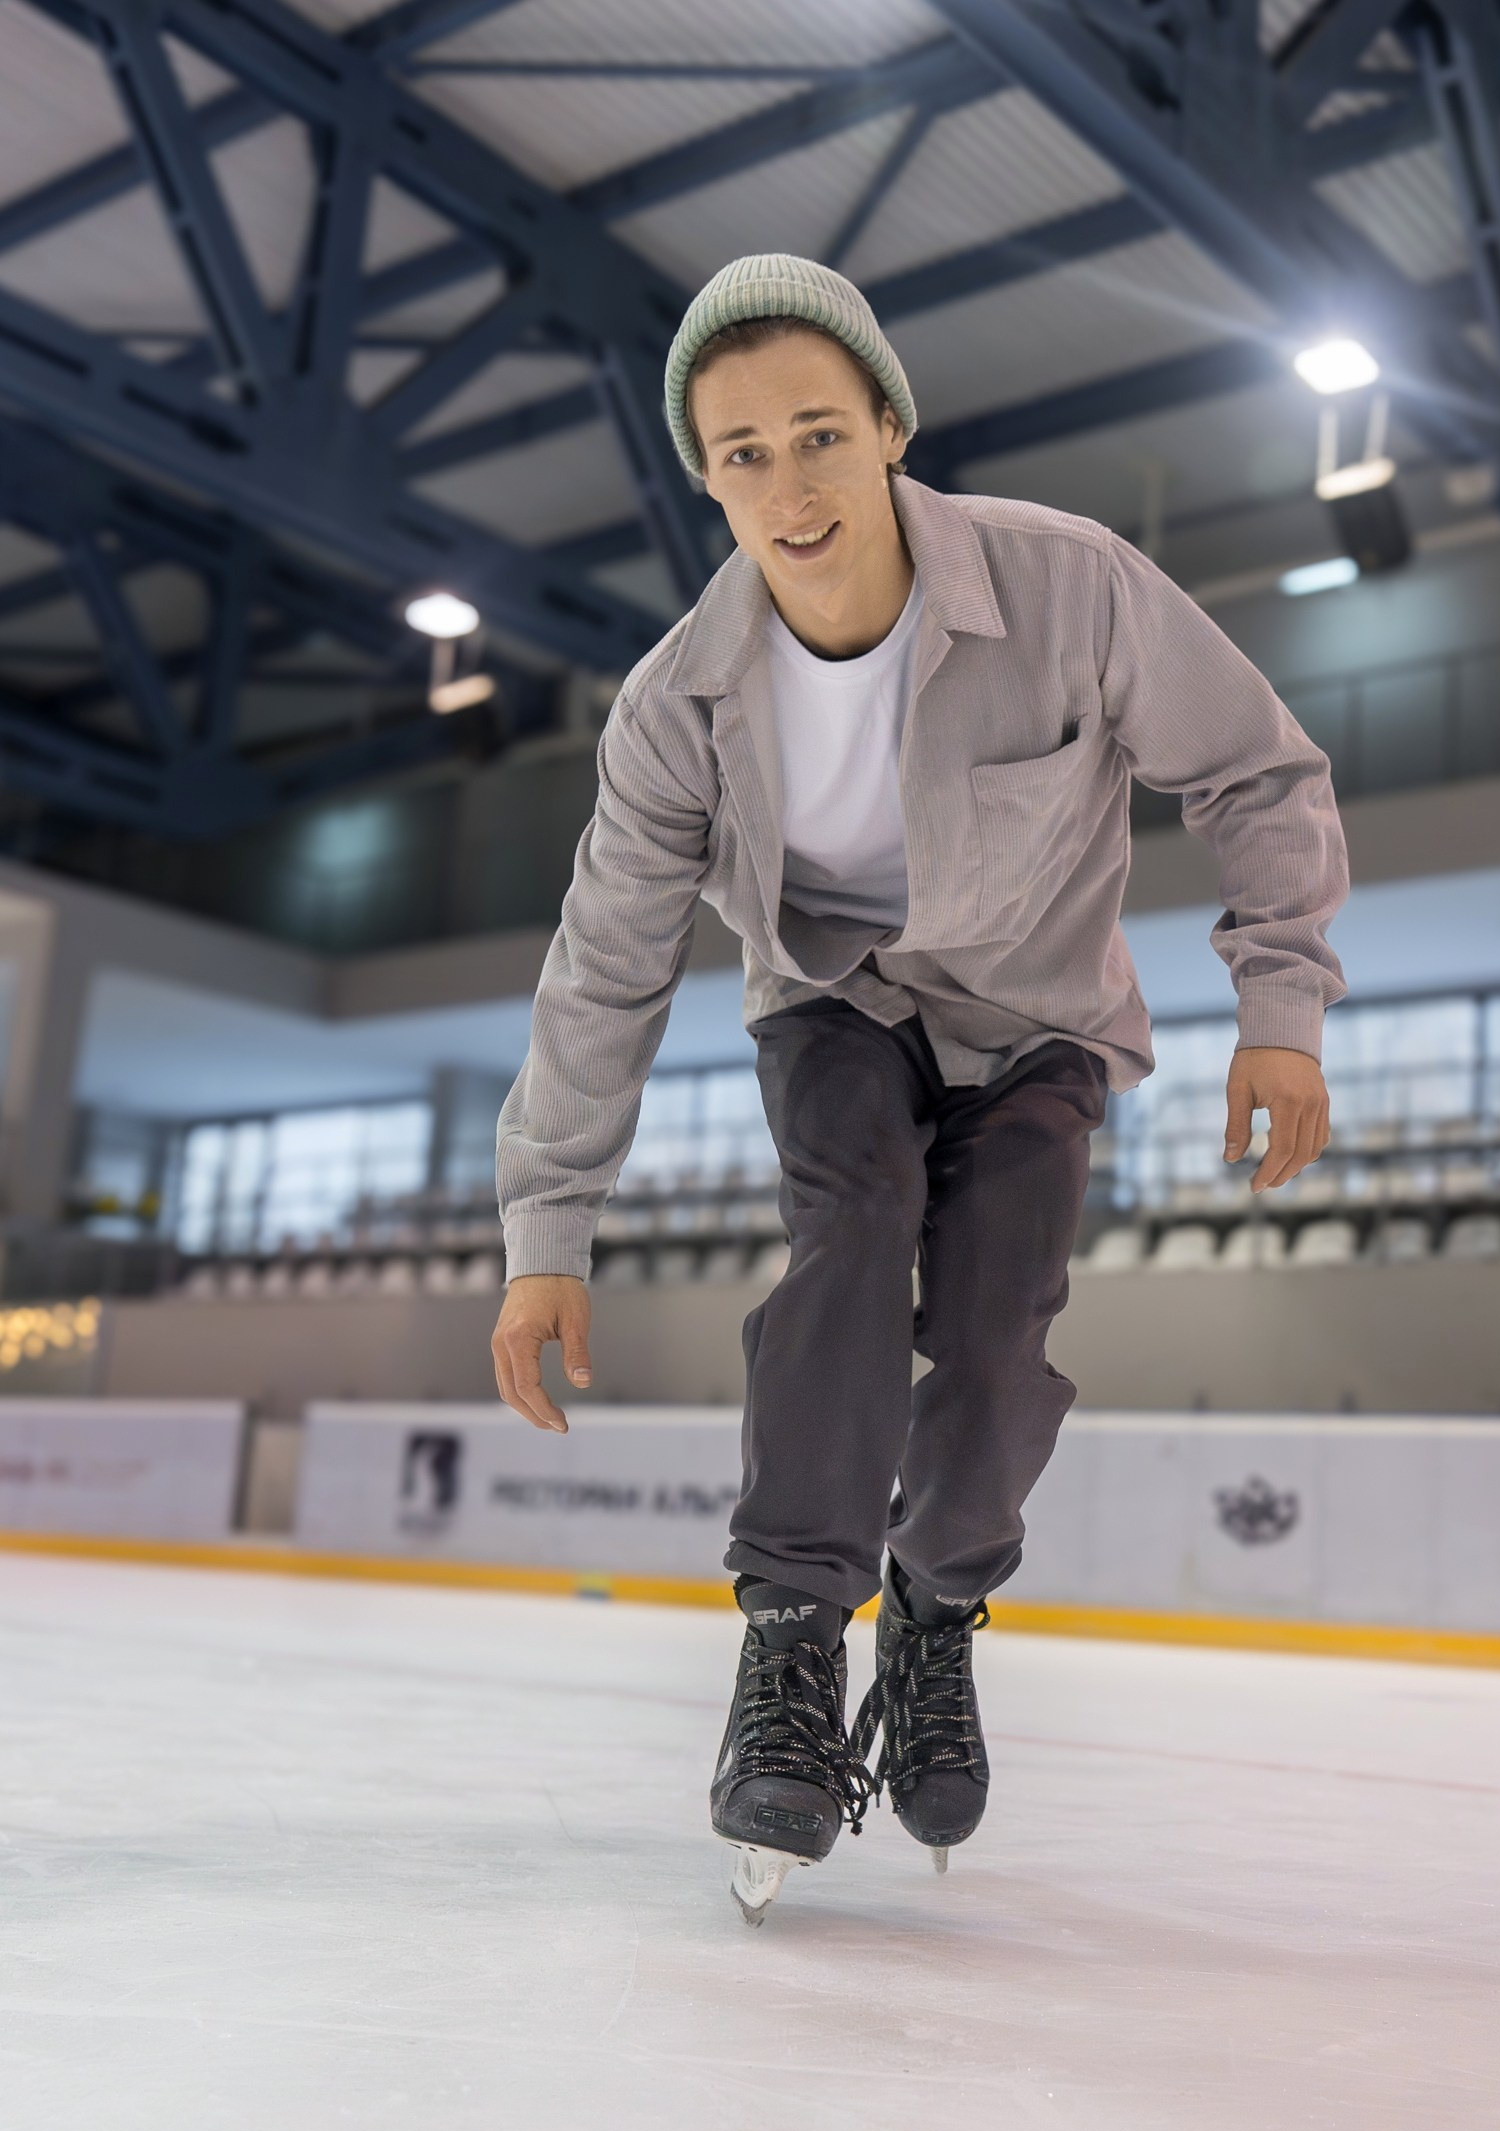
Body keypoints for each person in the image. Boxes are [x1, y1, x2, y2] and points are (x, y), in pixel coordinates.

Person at [491, 253, 1347, 1920]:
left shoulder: (1067, 586)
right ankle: (794, 1648)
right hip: (833, 1004)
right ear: (704, 475)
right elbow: (605, 962)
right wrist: (548, 1226)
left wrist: (1281, 1005)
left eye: (818, 434)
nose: (789, 487)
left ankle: (937, 1613)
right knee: (852, 1229)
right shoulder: (679, 705)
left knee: (998, 1320)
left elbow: (1254, 770)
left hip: (1038, 1020)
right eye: (742, 453)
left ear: (889, 421)